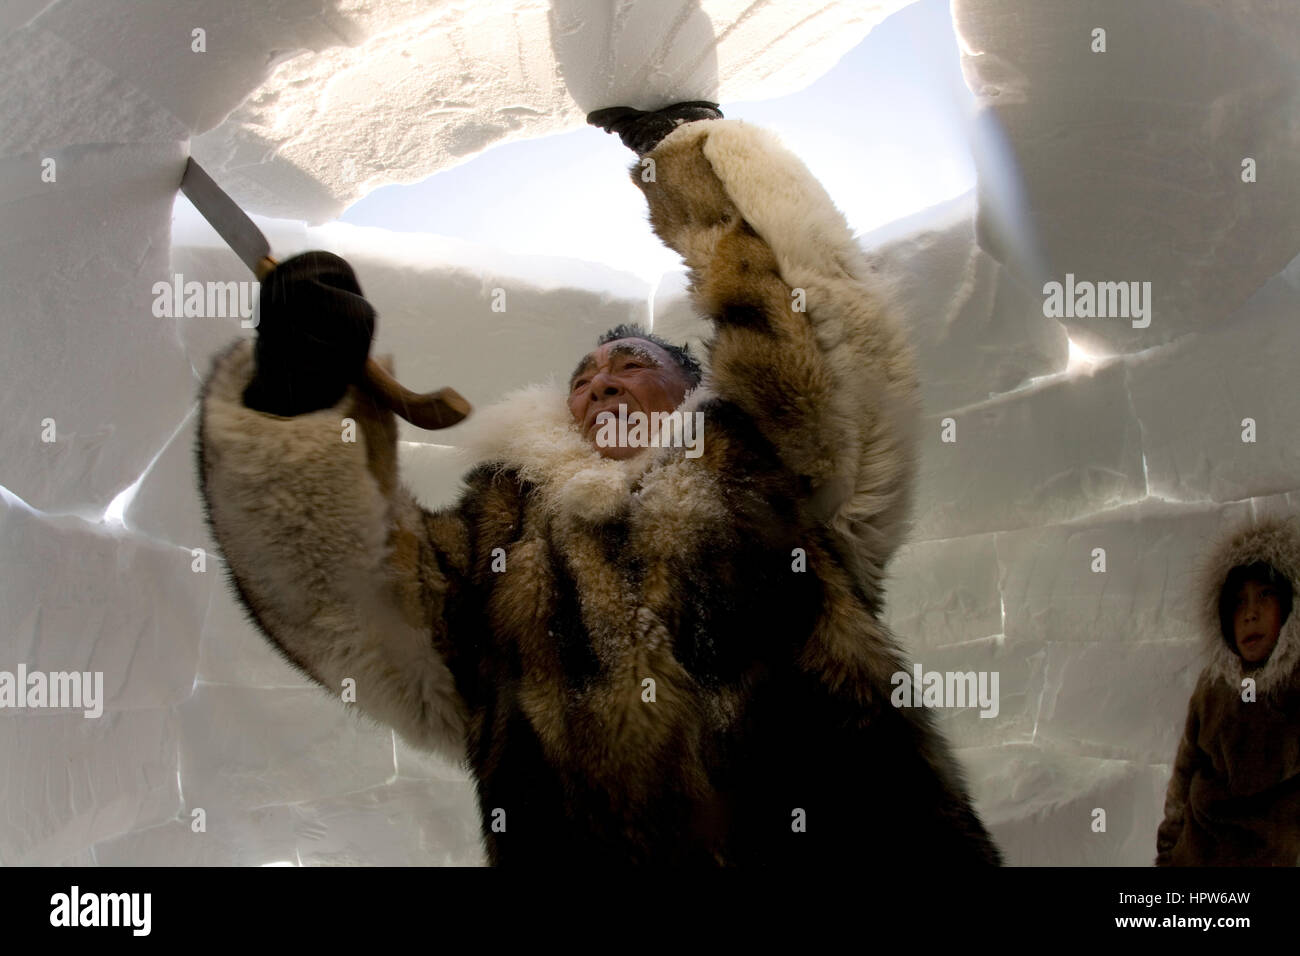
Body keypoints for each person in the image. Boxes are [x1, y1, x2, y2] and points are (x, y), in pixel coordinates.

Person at [196, 102, 1002, 865]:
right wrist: (295, 403)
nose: (601, 382)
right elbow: (346, 603)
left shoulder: (776, 454)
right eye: (582, 378)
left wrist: (691, 161)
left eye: (631, 364)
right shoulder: (495, 534)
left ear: (693, 389)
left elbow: (830, 331)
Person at [1155, 515, 1300, 865]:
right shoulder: (1213, 688)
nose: (1250, 614)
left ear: (1288, 606)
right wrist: (1168, 853)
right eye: (1238, 602)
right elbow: (1184, 774)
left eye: (1264, 595)